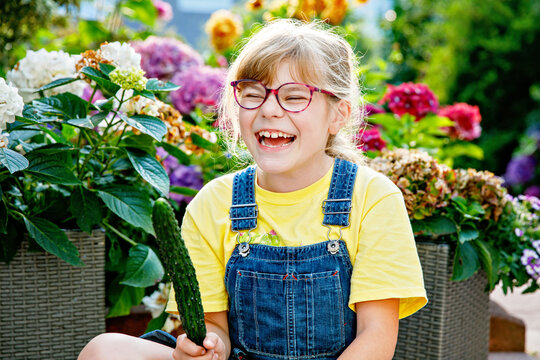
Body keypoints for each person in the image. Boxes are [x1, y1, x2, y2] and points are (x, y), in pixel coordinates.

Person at [79, 19, 427, 360]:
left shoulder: (372, 199)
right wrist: (208, 347)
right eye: (252, 93)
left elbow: (376, 336)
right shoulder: (214, 204)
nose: (269, 110)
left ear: (338, 115)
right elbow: (213, 325)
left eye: (294, 97)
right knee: (104, 350)